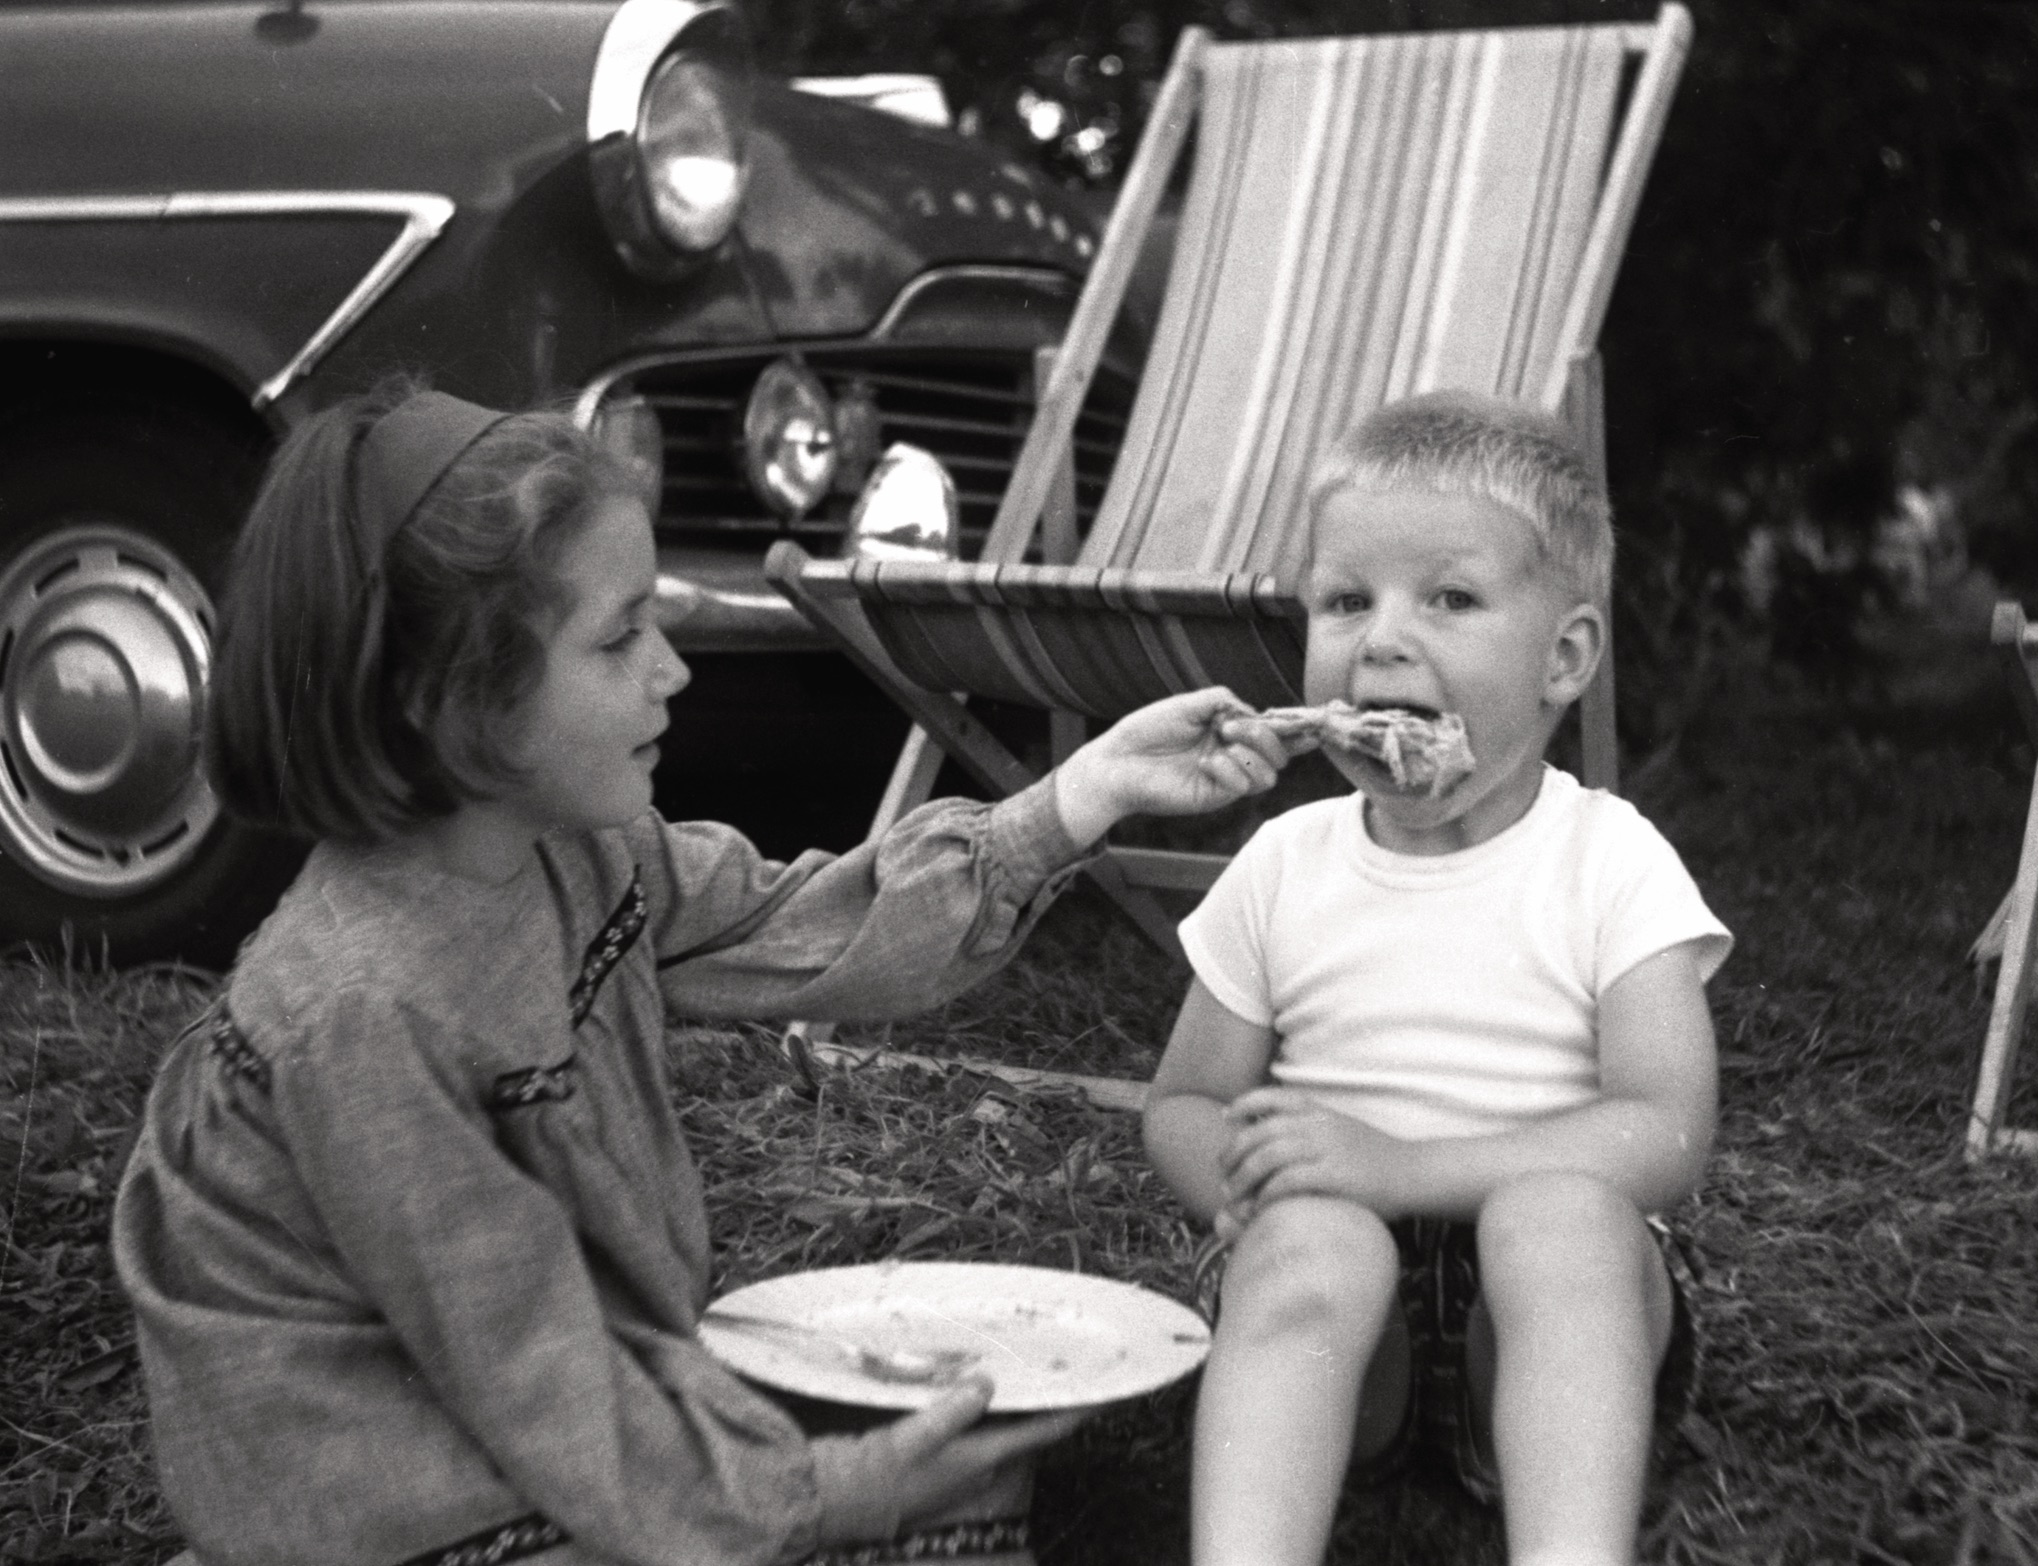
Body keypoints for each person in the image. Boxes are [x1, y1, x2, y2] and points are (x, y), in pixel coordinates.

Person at [111, 382, 1293, 1566]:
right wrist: (824, 1497)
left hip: (549, 1392)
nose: (673, 671)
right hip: (377, 1483)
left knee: (962, 1460)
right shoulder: (364, 1011)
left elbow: (818, 924)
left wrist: (1083, 794)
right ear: (451, 699)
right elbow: (525, 1354)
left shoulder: (581, 858)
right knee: (904, 1504)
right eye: (621, 637)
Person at [1147, 391, 1731, 1566]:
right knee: (1318, 1240)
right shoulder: (1285, 866)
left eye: (1450, 599)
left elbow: (1670, 1130)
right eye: (1346, 600)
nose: (1383, 638)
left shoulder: (1607, 859)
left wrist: (1409, 1166)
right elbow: (1180, 1101)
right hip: (1345, 1344)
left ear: (1565, 658)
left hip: (1551, 1321)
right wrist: (1262, 1179)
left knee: (1559, 1221)